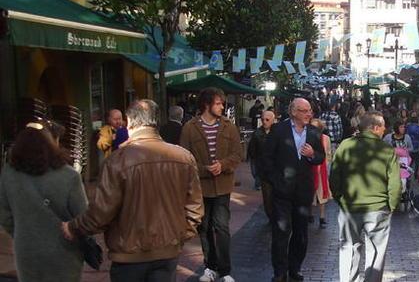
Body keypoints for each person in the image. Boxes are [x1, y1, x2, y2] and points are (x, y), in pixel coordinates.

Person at [63, 100, 204, 282]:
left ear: (129, 122)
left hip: (129, 255)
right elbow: (195, 207)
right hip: (167, 252)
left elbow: (101, 213)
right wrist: (180, 235)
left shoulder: (118, 160)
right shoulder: (183, 157)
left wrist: (74, 227)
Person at [0, 121, 86, 282]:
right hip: (64, 251)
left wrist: (23, 233)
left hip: (26, 250)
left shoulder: (8, 175)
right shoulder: (69, 175)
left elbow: (5, 217)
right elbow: (82, 216)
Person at [179, 88, 243, 282]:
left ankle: (225, 270)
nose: (222, 106)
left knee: (222, 227)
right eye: (218, 103)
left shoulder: (228, 126)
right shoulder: (190, 128)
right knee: (204, 227)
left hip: (223, 186)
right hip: (201, 187)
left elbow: (237, 154)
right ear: (207, 104)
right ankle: (210, 266)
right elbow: (184, 158)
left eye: (222, 103)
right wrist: (206, 169)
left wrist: (222, 165)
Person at [330, 112, 401, 282]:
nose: (385, 131)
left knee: (348, 248)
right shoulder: (387, 150)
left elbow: (334, 176)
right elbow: (395, 184)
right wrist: (391, 205)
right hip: (378, 209)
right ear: (375, 128)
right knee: (376, 252)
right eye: (383, 127)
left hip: (350, 207)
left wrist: (340, 199)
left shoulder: (346, 145)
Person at [261, 98, 325, 282]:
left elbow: (320, 156)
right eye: (304, 111)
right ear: (294, 112)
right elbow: (266, 158)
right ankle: (279, 271)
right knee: (281, 231)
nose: (308, 114)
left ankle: (294, 268)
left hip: (303, 192)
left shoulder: (313, 132)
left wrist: (313, 155)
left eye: (310, 110)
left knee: (301, 233)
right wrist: (275, 181)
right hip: (282, 192)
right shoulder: (279, 130)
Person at [309, 118, 332, 228]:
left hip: (321, 169)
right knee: (310, 193)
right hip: (310, 169)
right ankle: (310, 214)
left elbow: (328, 154)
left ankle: (322, 217)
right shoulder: (307, 137)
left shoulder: (326, 138)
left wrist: (326, 167)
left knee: (322, 194)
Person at [247, 110, 276, 195]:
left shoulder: (277, 132)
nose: (264, 122)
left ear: (273, 120)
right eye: (263, 119)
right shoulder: (257, 133)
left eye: (267, 120)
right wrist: (253, 157)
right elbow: (252, 148)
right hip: (259, 160)